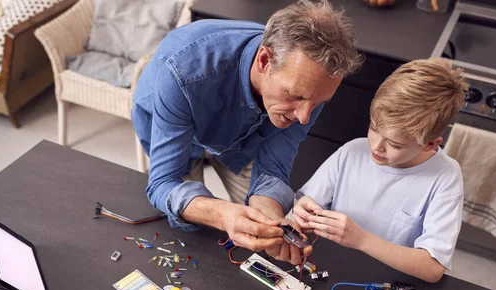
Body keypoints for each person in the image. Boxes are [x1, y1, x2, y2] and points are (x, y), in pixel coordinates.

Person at [132, 0, 361, 265]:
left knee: (253, 223)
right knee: (193, 235)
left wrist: (273, 222)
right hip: (173, 121)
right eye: (294, 96)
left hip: (242, 139)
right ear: (264, 60)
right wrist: (221, 214)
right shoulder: (183, 71)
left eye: (318, 102)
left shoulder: (308, 90)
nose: (304, 117)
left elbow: (273, 169)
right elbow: (163, 184)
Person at [293, 58, 468, 282]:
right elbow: (306, 203)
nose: (376, 147)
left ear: (430, 144)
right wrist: (303, 211)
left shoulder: (445, 178)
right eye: (374, 128)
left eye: (395, 144)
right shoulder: (353, 151)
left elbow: (433, 268)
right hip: (332, 270)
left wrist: (361, 240)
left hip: (387, 283)